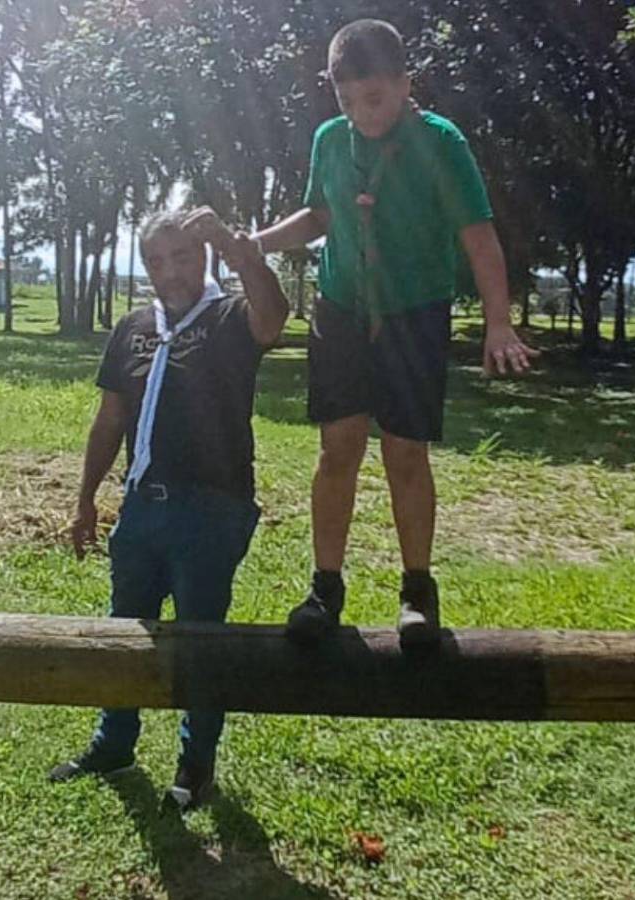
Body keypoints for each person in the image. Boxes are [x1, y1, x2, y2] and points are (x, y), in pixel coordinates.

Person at [251, 18, 537, 648]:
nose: (360, 112)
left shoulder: (440, 141)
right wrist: (260, 241)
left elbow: (478, 235)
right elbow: (320, 214)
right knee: (338, 449)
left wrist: (498, 322)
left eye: (374, 98)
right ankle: (325, 589)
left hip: (414, 313)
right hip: (342, 310)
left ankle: (417, 592)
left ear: (406, 84)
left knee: (405, 452)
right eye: (346, 99)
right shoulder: (330, 140)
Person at [49, 207, 288, 810]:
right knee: (124, 631)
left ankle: (195, 765)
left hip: (211, 510)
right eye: (157, 261)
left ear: (202, 256)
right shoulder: (133, 328)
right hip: (140, 509)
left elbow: (274, 317)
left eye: (182, 256)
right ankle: (114, 742)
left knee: (200, 641)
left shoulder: (230, 317)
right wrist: (85, 499)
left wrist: (240, 251)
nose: (171, 272)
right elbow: (109, 420)